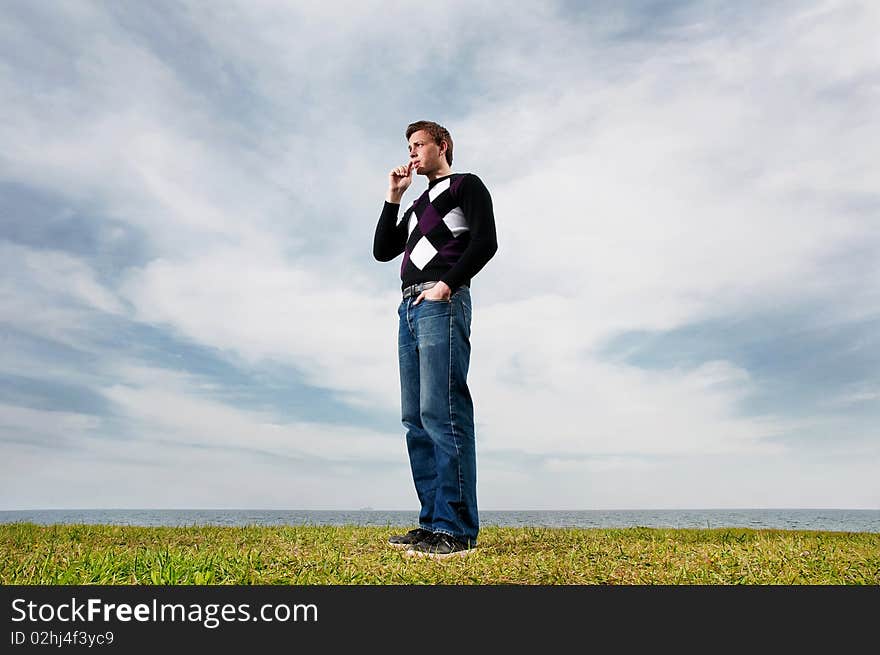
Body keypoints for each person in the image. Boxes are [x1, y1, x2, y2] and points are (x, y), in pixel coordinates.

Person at [373, 120, 498, 559]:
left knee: (442, 411)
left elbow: (485, 242)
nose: (412, 154)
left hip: (440, 302)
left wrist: (447, 284)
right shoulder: (415, 204)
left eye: (419, 145)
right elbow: (383, 249)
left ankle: (456, 529)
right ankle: (432, 523)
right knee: (415, 418)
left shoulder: (465, 185)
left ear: (442, 145)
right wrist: (395, 196)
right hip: (407, 307)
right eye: (408, 146)